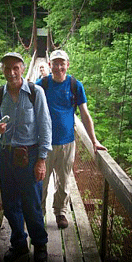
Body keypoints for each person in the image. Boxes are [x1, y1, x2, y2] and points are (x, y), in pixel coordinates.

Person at [0, 52, 52, 262]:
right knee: (9, 204)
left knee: (32, 202)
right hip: (6, 154)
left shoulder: (36, 92)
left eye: (16, 67)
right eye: (7, 68)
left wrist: (42, 159)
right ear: (3, 71)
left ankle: (40, 244)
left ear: (23, 69)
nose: (11, 72)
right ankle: (19, 244)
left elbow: (45, 126)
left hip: (30, 154)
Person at [36, 50, 107, 229]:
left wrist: (94, 141)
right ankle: (39, 213)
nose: (59, 67)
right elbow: (29, 112)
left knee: (64, 180)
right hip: (43, 143)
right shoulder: (41, 85)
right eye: (55, 63)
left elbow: (84, 114)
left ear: (68, 64)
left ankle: (60, 212)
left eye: (62, 63)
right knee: (40, 181)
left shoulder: (76, 85)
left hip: (67, 142)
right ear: (49, 65)